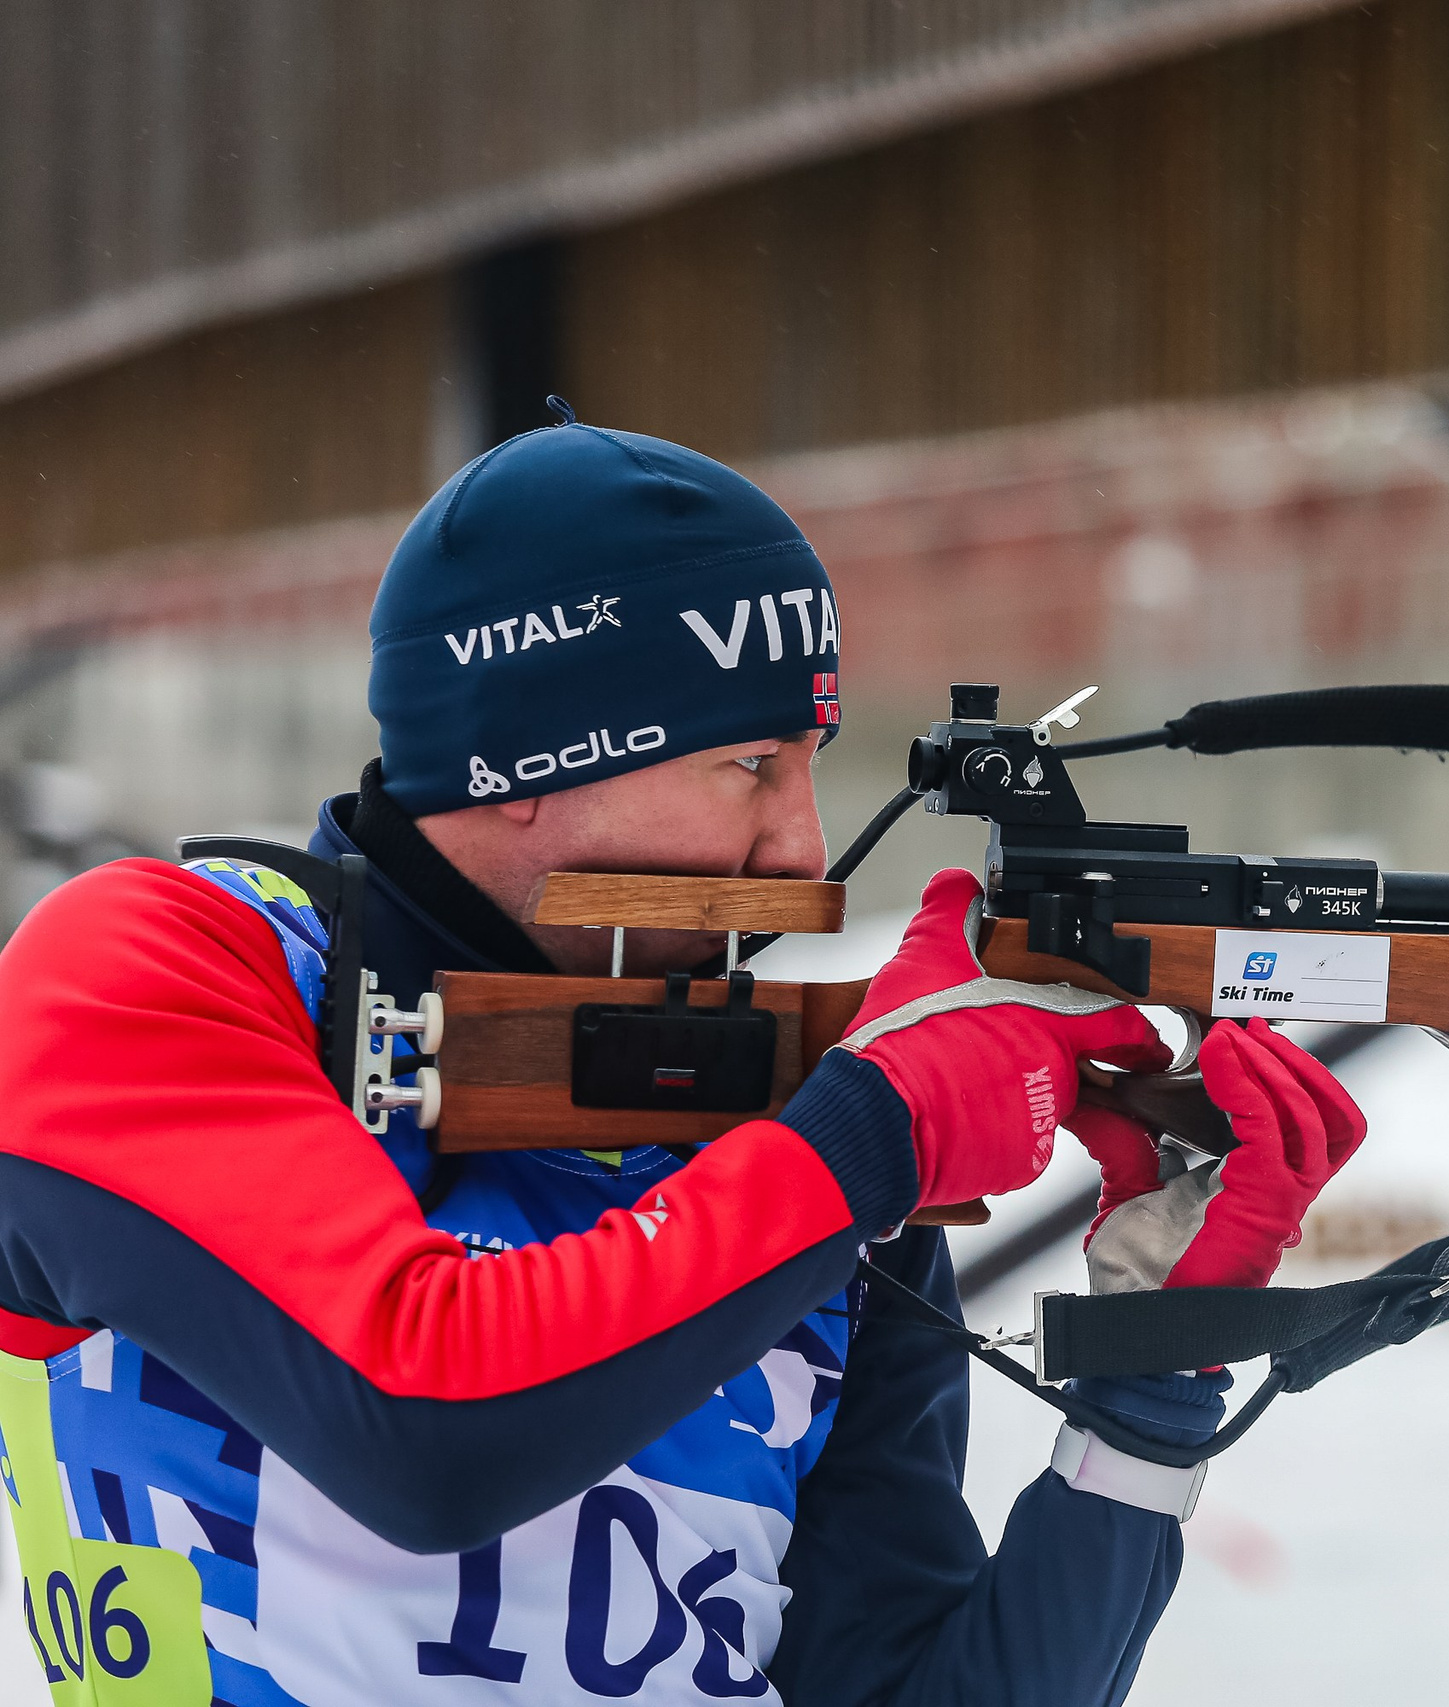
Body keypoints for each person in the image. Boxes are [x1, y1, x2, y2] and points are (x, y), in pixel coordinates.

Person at [0, 410, 1366, 1705]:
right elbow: (419, 1424)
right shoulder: (163, 971)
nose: (800, 848)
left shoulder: (781, 1130)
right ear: (519, 759)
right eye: (751, 765)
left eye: (811, 764)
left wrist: (1147, 1387)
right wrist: (869, 1135)